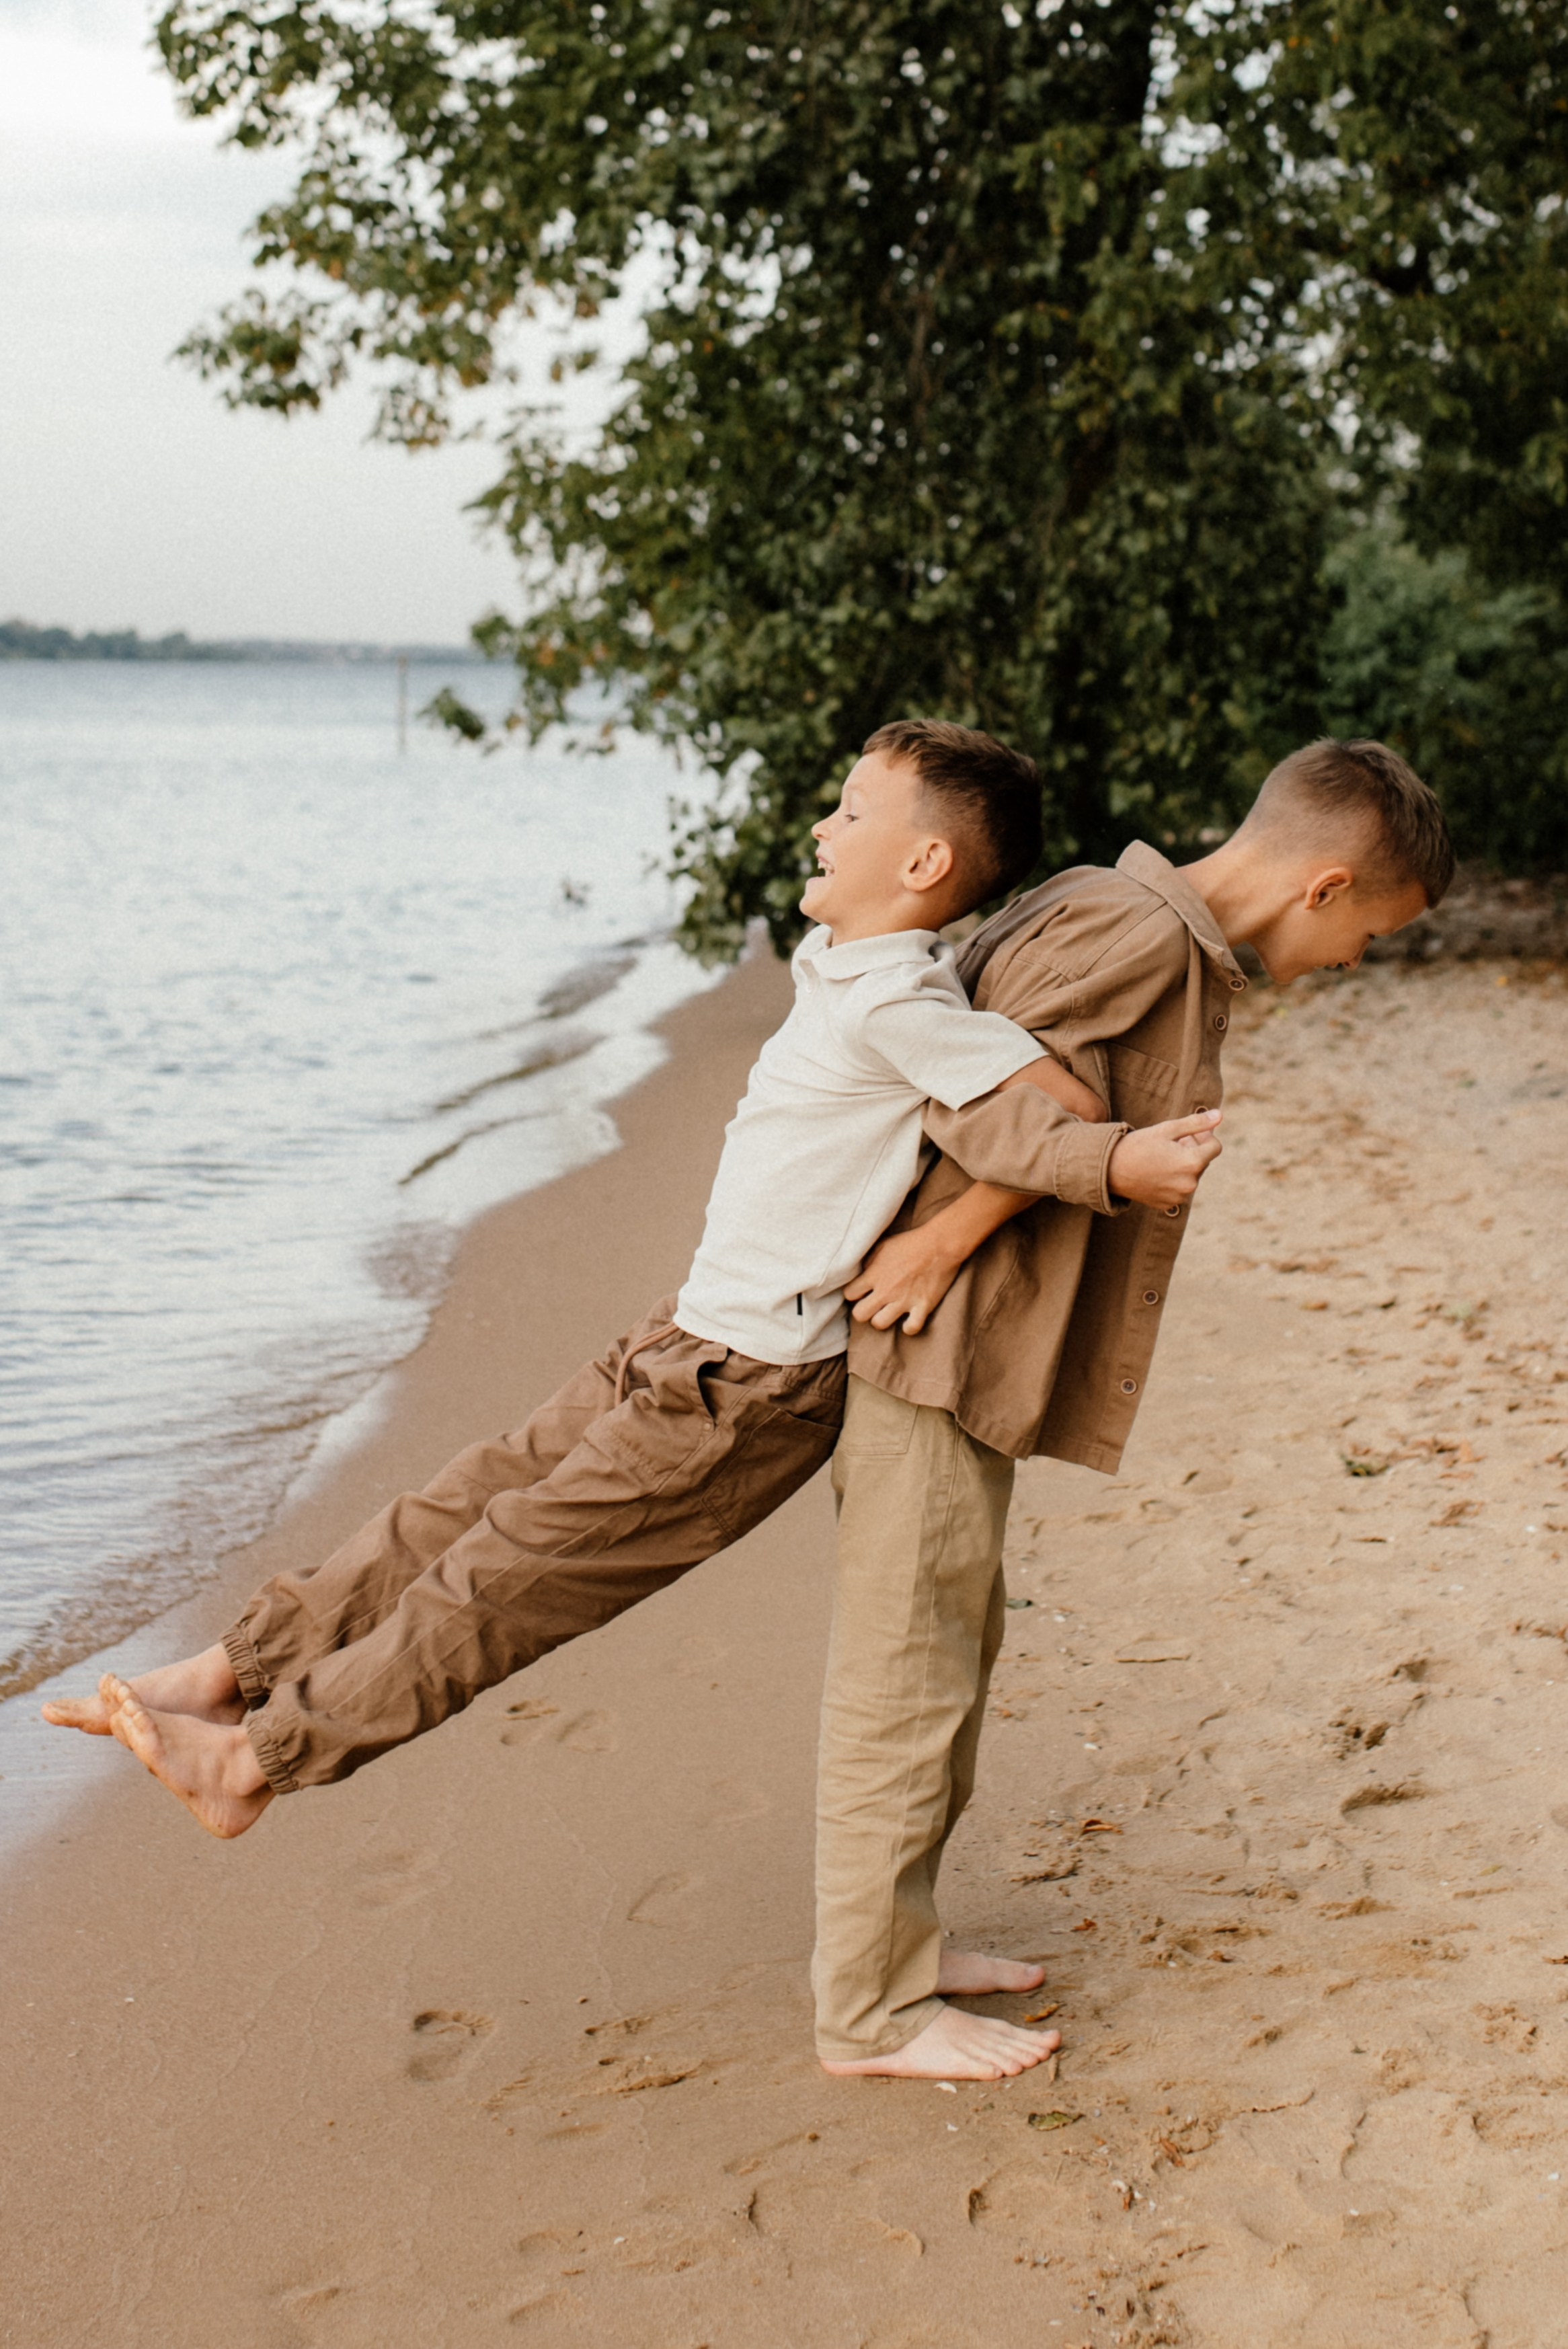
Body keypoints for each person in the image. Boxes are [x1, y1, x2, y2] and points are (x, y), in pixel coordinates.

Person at [46, 714, 1209, 2033]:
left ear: (926, 863)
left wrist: (1119, 1164)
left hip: (747, 1391)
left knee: (500, 1576)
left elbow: (1043, 1107)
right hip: (682, 1338)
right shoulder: (852, 959)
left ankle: (255, 1759)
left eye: (849, 810)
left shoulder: (904, 1000)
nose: (823, 828)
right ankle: (224, 1671)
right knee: (450, 1506)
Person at [808, 736, 1454, 2080]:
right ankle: (865, 2011)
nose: (1354, 964)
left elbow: (1020, 1070)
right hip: (929, 1346)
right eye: (1371, 936)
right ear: (1322, 885)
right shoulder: (1136, 934)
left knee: (951, 1654)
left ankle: (901, 1943)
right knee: (904, 1679)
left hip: (965, 1355)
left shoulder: (1127, 913)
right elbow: (954, 1091)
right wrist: (941, 1241)